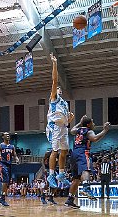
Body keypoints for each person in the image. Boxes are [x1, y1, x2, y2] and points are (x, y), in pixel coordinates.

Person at [65, 115, 110, 208]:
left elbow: (71, 130)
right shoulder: (89, 131)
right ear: (89, 124)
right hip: (82, 152)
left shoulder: (78, 130)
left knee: (76, 179)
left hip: (74, 154)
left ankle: (69, 200)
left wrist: (80, 122)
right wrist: (105, 130)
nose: (94, 124)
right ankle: (86, 188)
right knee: (86, 170)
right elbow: (95, 138)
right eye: (92, 122)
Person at [46, 53, 74, 189]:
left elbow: (66, 119)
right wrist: (55, 63)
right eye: (57, 88)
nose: (59, 88)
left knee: (65, 151)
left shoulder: (64, 103)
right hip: (54, 127)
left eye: (59, 88)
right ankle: (51, 174)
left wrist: (70, 119)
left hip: (63, 127)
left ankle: (61, 174)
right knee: (55, 151)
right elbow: (55, 80)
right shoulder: (53, 97)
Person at [0, 132, 19, 207]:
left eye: (8, 135)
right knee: (5, 180)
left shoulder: (12, 146)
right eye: (6, 135)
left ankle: (2, 198)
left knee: (7, 182)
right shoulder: (0, 146)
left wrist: (16, 159)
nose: (8, 136)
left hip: (9, 165)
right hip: (2, 164)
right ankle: (2, 198)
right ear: (3, 137)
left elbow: (15, 155)